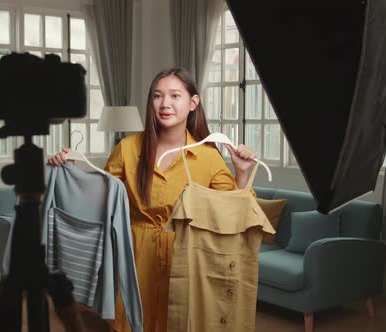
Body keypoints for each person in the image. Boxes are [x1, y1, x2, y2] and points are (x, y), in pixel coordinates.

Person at [48, 67, 257, 332]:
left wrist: (241, 172)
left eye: (175, 95)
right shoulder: (127, 149)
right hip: (133, 257)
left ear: (193, 103)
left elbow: (234, 214)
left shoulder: (208, 156)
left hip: (183, 260)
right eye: (157, 96)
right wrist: (69, 170)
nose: (165, 104)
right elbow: (98, 201)